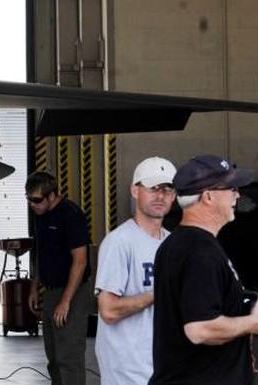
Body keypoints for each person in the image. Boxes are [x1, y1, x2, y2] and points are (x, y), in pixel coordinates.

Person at [150, 154, 258, 385]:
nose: (237, 195)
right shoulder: (199, 253)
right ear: (208, 196)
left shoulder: (180, 244)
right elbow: (200, 329)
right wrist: (255, 323)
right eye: (231, 188)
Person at [94, 156, 177, 385]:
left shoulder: (173, 244)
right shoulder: (119, 242)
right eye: (153, 188)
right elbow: (108, 311)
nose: (160, 196)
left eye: (167, 189)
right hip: (128, 372)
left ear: (175, 196)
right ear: (134, 191)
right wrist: (159, 293)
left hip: (162, 367)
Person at [25, 171, 92, 385]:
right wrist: (35, 287)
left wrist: (65, 301)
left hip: (74, 291)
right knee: (53, 354)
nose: (32, 204)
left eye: (36, 200)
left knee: (68, 355)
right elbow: (40, 252)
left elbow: (80, 261)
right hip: (52, 290)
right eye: (28, 198)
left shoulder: (71, 215)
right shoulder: (40, 214)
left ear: (52, 196)